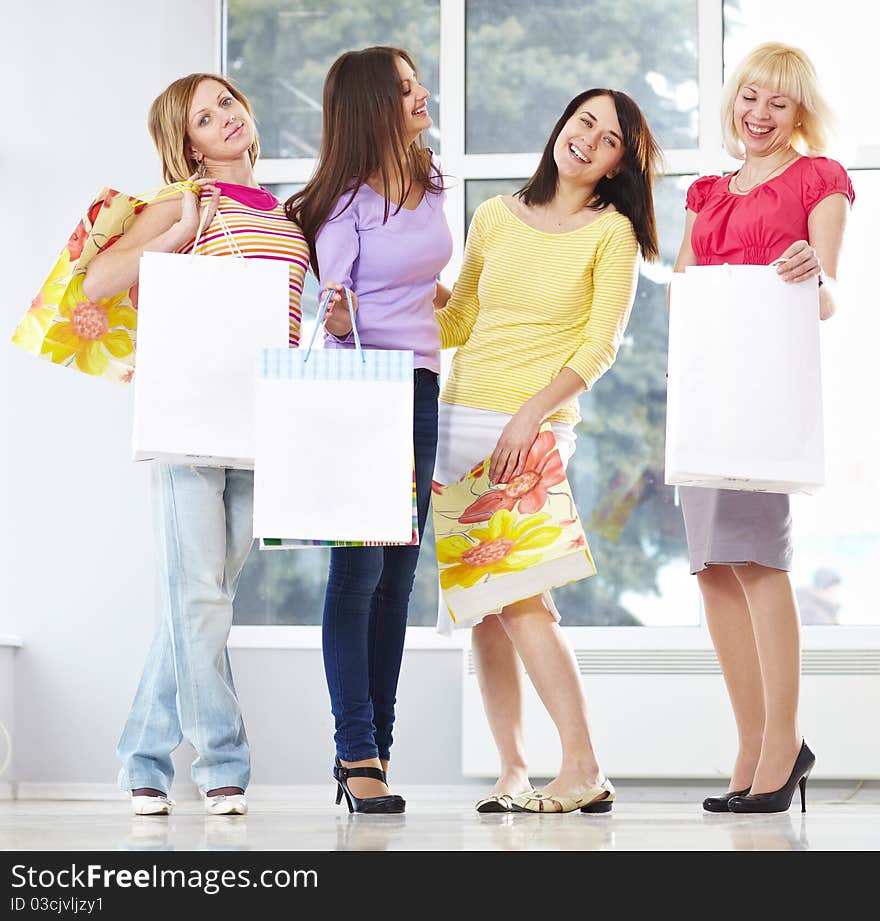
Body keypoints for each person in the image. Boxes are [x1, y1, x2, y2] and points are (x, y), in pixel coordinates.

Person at [84, 73, 309, 816]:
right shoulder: (187, 202)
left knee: (201, 599)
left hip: (264, 413)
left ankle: (142, 756)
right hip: (189, 413)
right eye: (205, 118)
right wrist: (177, 238)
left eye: (228, 102)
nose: (226, 118)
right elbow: (97, 282)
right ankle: (222, 763)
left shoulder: (285, 212)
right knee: (201, 597)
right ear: (190, 144)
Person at [432, 88, 661, 814]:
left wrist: (530, 416)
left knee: (526, 601)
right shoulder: (493, 216)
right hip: (459, 420)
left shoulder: (612, 234)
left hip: (531, 430)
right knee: (487, 607)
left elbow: (601, 346)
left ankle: (585, 765)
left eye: (610, 139)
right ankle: (512, 769)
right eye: (583, 121)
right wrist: (411, 295)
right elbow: (462, 319)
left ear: (621, 164)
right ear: (561, 123)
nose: (589, 139)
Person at [670, 42, 853, 814]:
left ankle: (784, 741)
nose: (761, 114)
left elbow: (827, 294)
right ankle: (752, 740)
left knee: (758, 563)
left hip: (761, 397)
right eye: (750, 97)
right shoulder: (705, 191)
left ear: (801, 110)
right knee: (713, 568)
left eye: (779, 101)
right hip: (703, 395)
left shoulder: (819, 179)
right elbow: (682, 287)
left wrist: (813, 268)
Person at [286, 46, 452, 814]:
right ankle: (355, 750)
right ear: (371, 107)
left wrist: (436, 296)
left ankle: (376, 747)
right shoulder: (342, 201)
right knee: (356, 577)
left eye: (418, 84)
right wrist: (343, 311)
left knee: (398, 581)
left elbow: (422, 277)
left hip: (420, 387)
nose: (423, 96)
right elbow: (338, 298)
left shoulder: (431, 180)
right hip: (362, 392)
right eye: (407, 89)